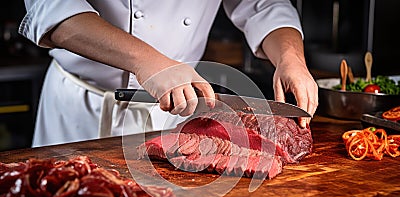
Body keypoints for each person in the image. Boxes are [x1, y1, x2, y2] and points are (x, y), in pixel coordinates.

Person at [19, 0, 318, 147]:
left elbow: (261, 4)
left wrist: (291, 57)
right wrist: (148, 61)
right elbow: (53, 11)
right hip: (79, 113)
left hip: (174, 111)